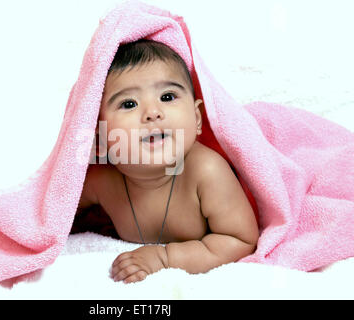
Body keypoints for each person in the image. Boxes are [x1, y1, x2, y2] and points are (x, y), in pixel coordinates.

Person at [72, 39, 259, 284]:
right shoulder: (102, 182)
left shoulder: (206, 172)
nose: (152, 112)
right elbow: (55, 213)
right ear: (100, 135)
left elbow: (240, 240)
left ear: (196, 118)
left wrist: (164, 257)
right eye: (129, 103)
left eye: (167, 96)